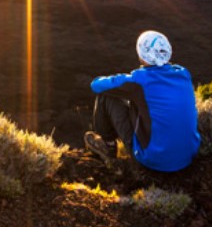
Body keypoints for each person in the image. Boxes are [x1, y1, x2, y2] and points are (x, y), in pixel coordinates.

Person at [84, 30, 200, 172]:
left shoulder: (140, 80)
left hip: (153, 159)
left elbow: (96, 85)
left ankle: (108, 146)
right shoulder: (183, 74)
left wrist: (123, 79)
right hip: (188, 155)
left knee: (105, 96)